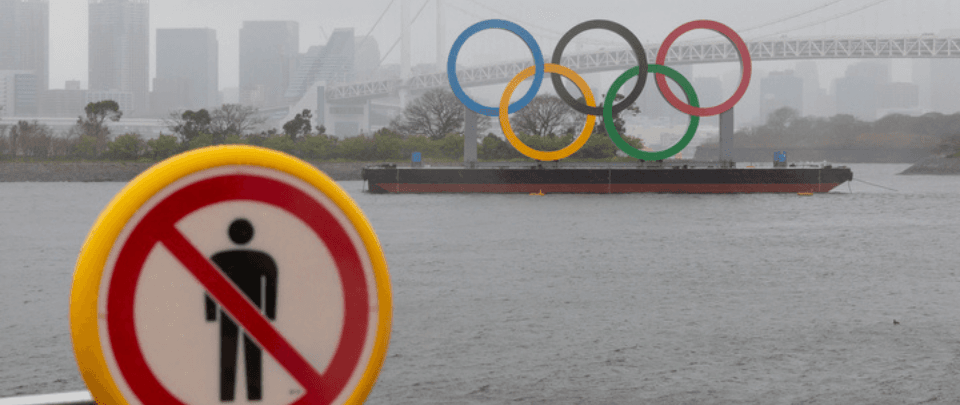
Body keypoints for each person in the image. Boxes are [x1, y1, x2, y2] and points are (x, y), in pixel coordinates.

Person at [204, 218, 278, 402]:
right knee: (254, 358)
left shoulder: (219, 258)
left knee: (227, 358)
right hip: (255, 317)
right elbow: (271, 287)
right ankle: (255, 396)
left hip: (228, 314)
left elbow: (209, 287)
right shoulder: (264, 259)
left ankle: (226, 396)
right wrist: (270, 314)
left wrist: (211, 313)